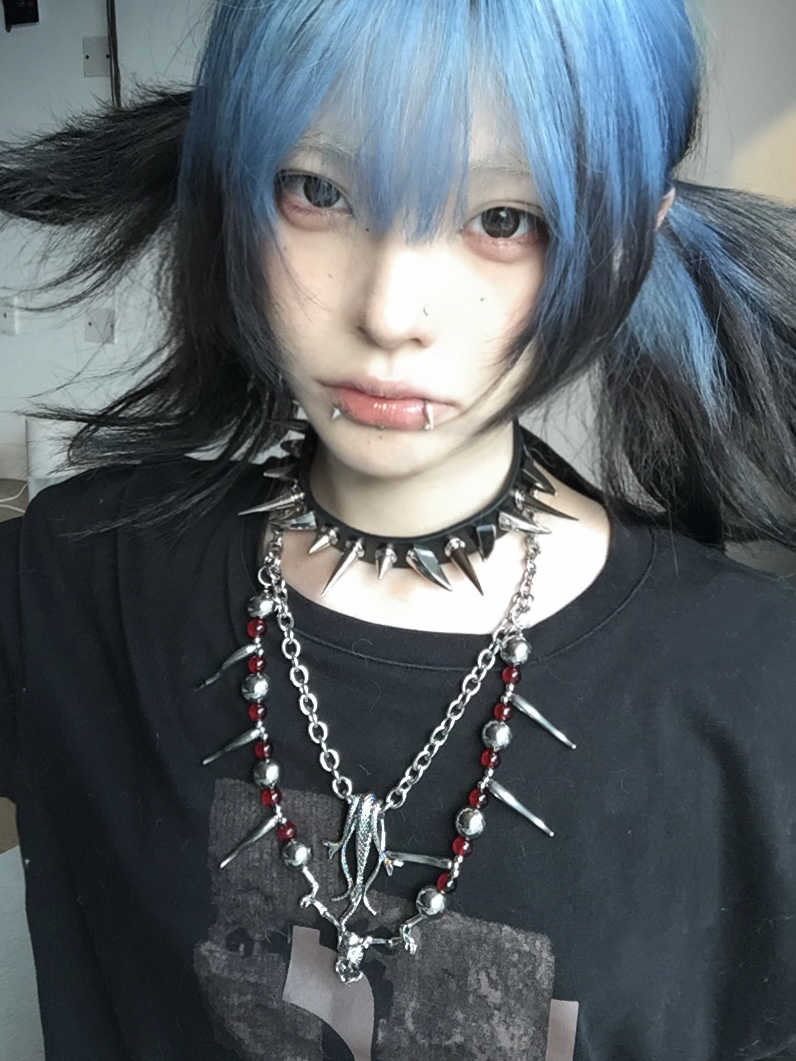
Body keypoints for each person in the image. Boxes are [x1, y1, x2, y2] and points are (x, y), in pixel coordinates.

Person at [1, 1, 794, 1058]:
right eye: (318, 191)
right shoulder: (79, 580)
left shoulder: (758, 688)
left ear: (629, 237)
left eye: (503, 220)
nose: (389, 310)